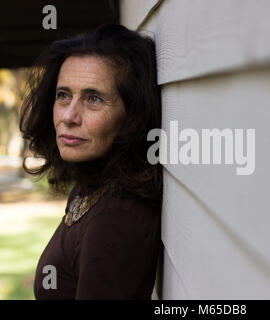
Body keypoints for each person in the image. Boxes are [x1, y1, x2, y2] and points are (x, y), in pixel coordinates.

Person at [19, 24, 163, 299]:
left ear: (132, 116)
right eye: (63, 96)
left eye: (93, 99)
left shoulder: (116, 220)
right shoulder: (91, 189)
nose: (69, 116)